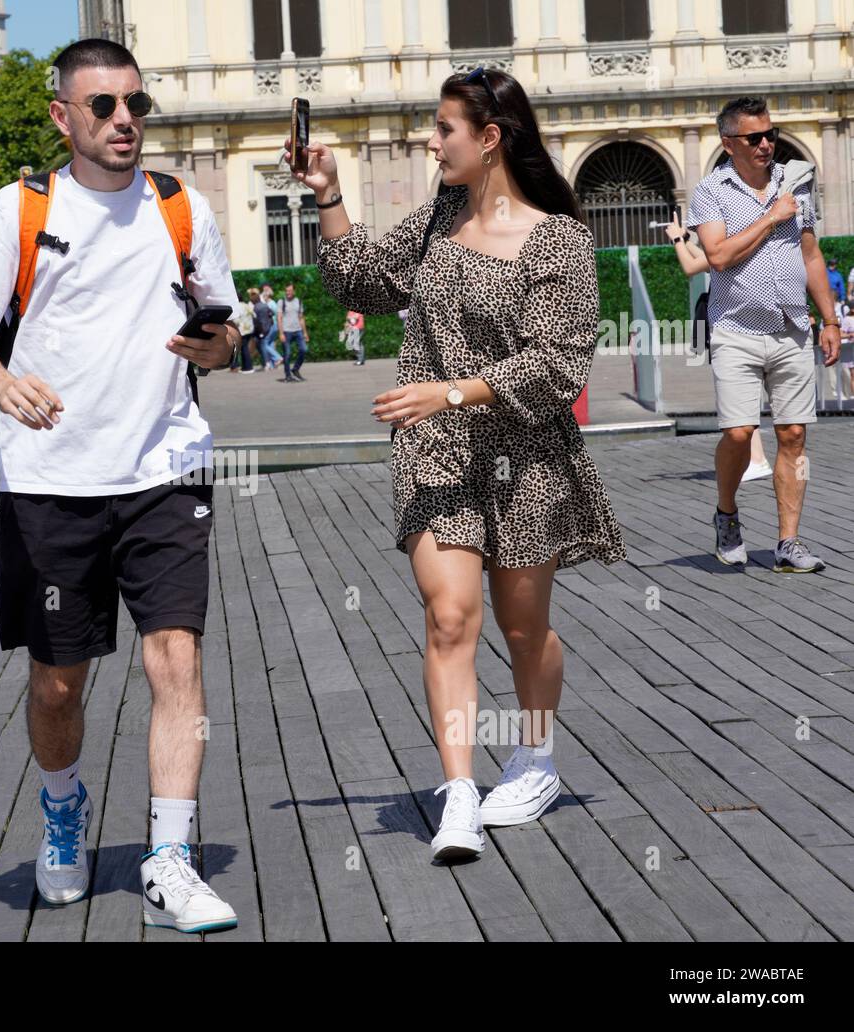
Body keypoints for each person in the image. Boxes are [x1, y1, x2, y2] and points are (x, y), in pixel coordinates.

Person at [0, 37, 241, 933]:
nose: (124, 122)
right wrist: (2, 383)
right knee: (59, 683)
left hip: (163, 467)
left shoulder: (182, 208)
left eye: (136, 105)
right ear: (62, 116)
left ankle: (171, 861)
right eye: (103, 106)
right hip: (51, 480)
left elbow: (226, 332)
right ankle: (63, 810)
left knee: (174, 658)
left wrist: (218, 347)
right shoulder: (21, 209)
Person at [299, 66, 627, 861]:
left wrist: (450, 391)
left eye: (444, 128)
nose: (430, 140)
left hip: (527, 453)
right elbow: (366, 281)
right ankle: (457, 794)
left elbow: (557, 367)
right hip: (437, 450)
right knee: (450, 618)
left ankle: (537, 756)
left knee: (523, 628)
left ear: (489, 138)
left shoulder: (561, 239)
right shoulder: (441, 215)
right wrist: (327, 192)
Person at [686, 96, 840, 573]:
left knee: (793, 433)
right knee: (738, 432)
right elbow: (717, 256)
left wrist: (830, 319)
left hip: (792, 327)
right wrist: (772, 216)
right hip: (735, 330)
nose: (766, 143)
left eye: (770, 133)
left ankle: (788, 542)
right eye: (754, 137)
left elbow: (811, 254)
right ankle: (727, 514)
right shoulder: (711, 191)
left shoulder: (794, 184)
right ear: (729, 143)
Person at [665, 211, 772, 483]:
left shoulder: (732, 249)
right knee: (743, 403)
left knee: (738, 403)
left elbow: (692, 267)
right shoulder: (742, 243)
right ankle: (755, 460)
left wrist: (678, 239)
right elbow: (705, 258)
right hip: (741, 327)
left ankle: (756, 460)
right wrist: (686, 238)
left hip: (731, 329)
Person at [276, 282, 308, 382]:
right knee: (287, 354)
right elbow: (279, 318)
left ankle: (295, 369)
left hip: (298, 330)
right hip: (286, 331)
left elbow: (301, 318)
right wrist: (281, 333)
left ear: (294, 291)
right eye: (286, 291)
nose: (288, 292)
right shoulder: (281, 302)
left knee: (303, 350)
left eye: (290, 291)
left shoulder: (298, 301)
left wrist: (305, 332)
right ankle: (287, 375)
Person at [250, 285, 274, 371]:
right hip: (268, 328)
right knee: (264, 345)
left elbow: (255, 320)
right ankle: (267, 363)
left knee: (262, 346)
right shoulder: (265, 305)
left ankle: (267, 363)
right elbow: (271, 314)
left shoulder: (255, 308)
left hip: (261, 330)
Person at [257, 282, 281, 370]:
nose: (265, 293)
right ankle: (272, 364)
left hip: (272, 325)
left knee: (264, 343)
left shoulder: (272, 303)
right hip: (271, 325)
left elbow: (277, 313)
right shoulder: (267, 302)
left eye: (266, 290)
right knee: (270, 343)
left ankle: (277, 358)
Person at [230, 290, 255, 372]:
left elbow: (236, 321)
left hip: (242, 330)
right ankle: (245, 367)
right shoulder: (247, 305)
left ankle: (248, 367)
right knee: (245, 348)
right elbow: (254, 315)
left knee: (242, 349)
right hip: (250, 330)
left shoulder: (237, 307)